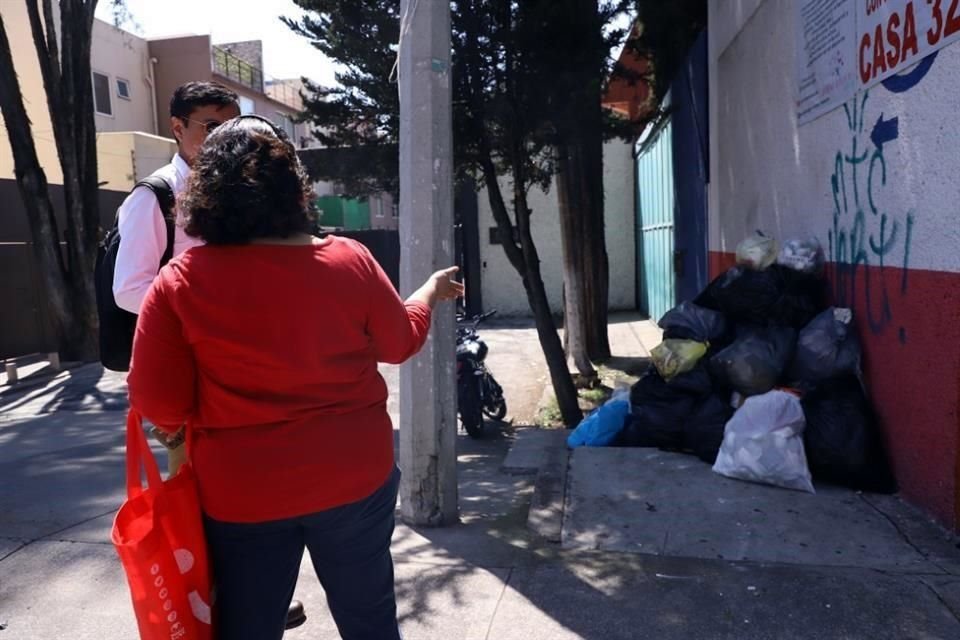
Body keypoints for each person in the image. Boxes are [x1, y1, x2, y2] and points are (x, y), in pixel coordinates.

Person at [127, 115, 463, 640]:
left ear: (207, 191)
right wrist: (425, 293)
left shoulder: (180, 282)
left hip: (242, 493)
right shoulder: (350, 260)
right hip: (354, 478)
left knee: (249, 624)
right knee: (370, 618)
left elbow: (157, 401)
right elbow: (399, 343)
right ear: (294, 189)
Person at [112, 81, 240, 474]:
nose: (224, 139)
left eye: (232, 129)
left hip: (232, 364)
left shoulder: (236, 191)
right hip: (185, 368)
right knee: (194, 489)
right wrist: (204, 313)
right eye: (211, 126)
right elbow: (129, 290)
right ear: (177, 127)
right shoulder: (155, 196)